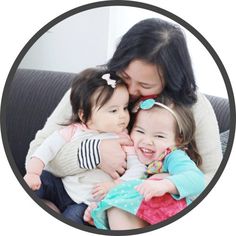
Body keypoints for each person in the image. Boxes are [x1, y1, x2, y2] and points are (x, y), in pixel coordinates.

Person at [25, 17, 222, 219]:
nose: (131, 90)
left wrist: (166, 185)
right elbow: (36, 152)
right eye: (125, 76)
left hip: (115, 206)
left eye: (145, 86)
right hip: (65, 185)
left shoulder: (194, 106)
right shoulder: (95, 87)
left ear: (172, 80)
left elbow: (215, 178)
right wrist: (93, 153)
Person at [24, 67, 146, 224]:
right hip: (62, 188)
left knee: (73, 219)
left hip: (87, 203)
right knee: (41, 180)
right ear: (84, 115)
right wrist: (34, 172)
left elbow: (138, 170)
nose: (123, 116)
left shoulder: (124, 139)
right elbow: (47, 148)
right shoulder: (73, 130)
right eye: (113, 110)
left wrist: (115, 185)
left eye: (124, 108)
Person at [88, 97, 205, 230]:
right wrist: (99, 209)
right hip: (135, 216)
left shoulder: (172, 156)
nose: (147, 141)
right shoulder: (128, 150)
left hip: (166, 213)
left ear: (178, 140)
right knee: (113, 208)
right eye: (140, 131)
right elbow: (123, 193)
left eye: (159, 136)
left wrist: (166, 185)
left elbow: (197, 179)